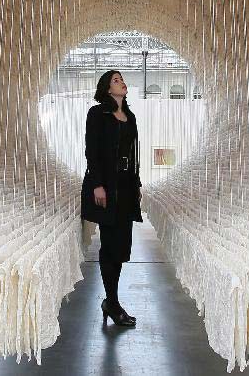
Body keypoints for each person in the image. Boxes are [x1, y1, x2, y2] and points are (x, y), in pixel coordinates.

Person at [81, 69, 142, 328]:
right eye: (116, 81)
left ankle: (111, 301)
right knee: (109, 246)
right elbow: (91, 151)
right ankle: (112, 302)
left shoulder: (130, 117)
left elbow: (134, 153)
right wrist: (97, 185)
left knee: (120, 248)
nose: (122, 83)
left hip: (126, 186)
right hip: (106, 186)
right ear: (107, 89)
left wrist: (137, 182)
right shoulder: (98, 114)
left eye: (122, 79)